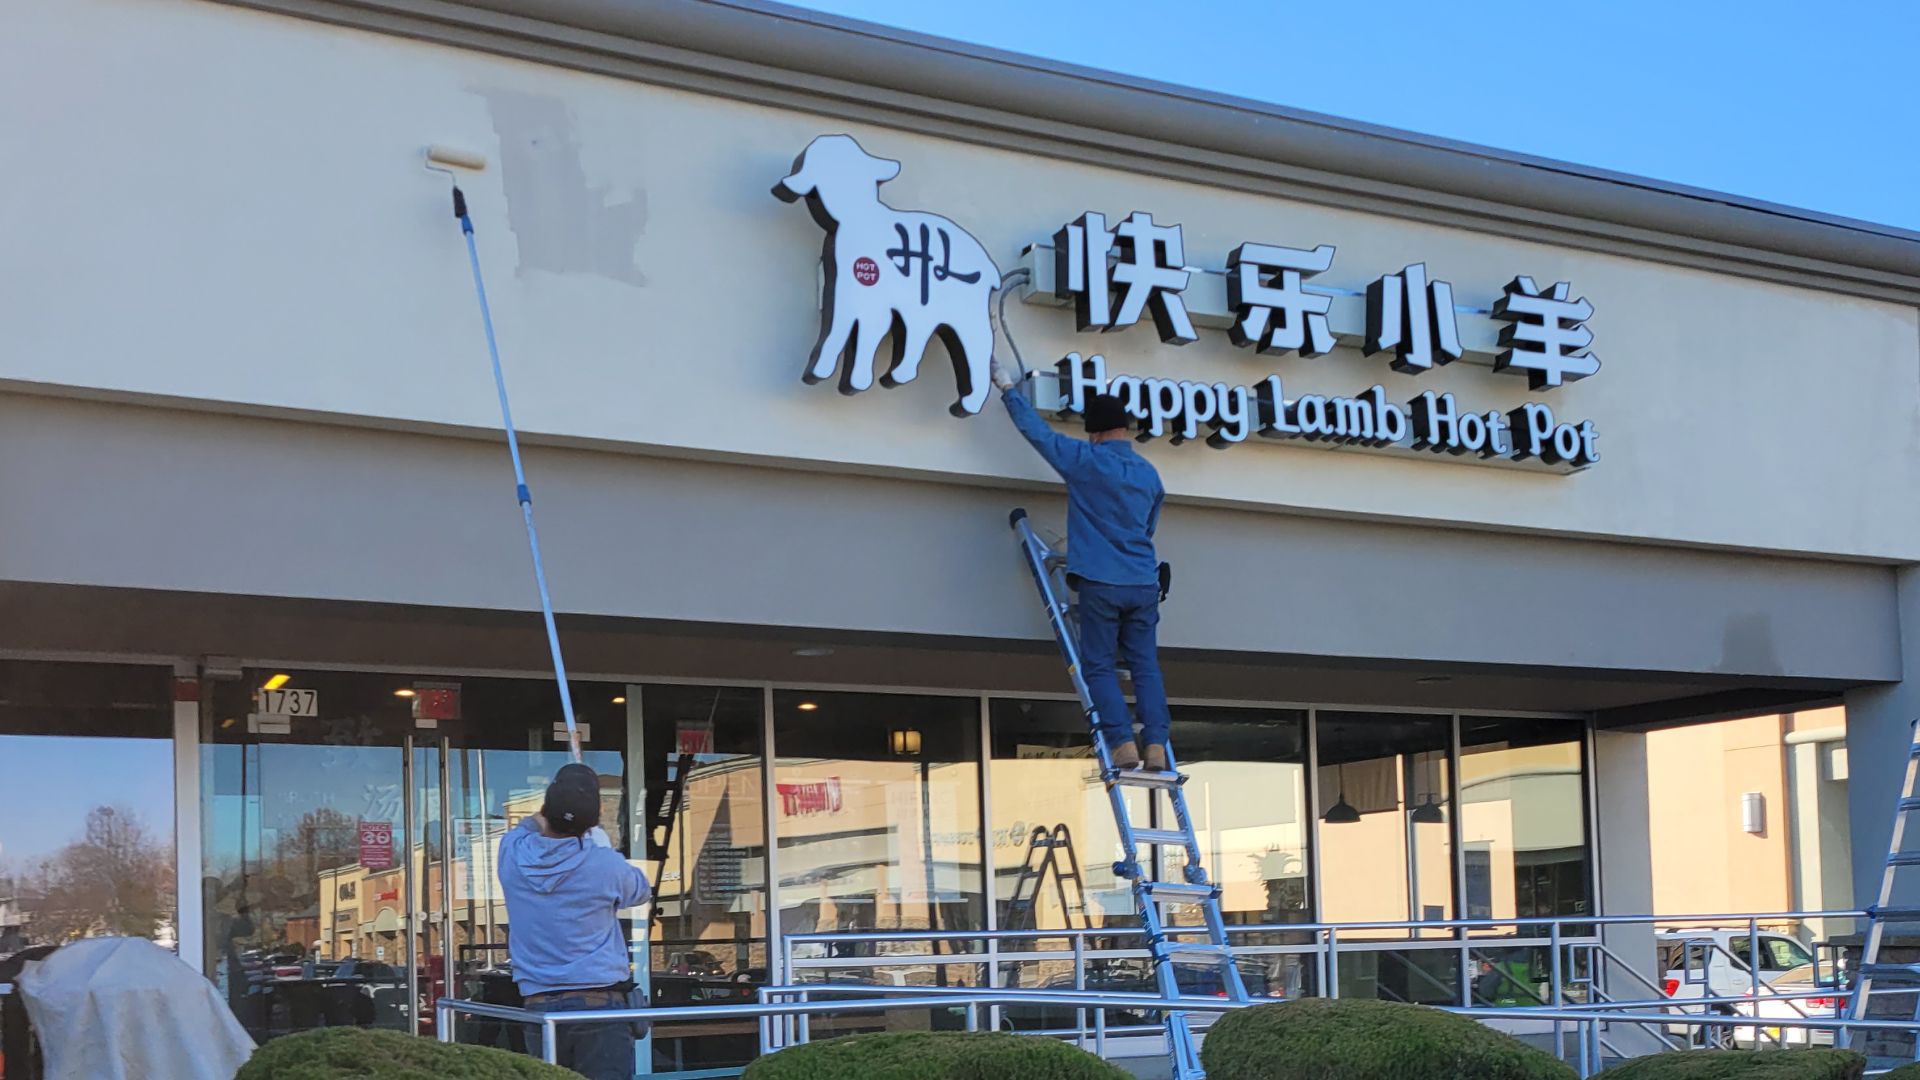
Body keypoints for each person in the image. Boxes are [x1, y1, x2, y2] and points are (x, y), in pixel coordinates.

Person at [994, 362, 1171, 771]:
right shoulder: (1149, 474)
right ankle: (1157, 744)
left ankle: (1122, 744)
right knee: (1145, 666)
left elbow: (1037, 434)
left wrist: (1007, 388)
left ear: (1094, 431)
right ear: (1124, 429)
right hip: (1143, 583)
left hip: (1100, 581)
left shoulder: (1086, 460)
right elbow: (1148, 527)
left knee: (1098, 664)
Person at [499, 763, 652, 1080]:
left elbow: (526, 827)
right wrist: (600, 844)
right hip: (599, 1008)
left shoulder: (511, 851)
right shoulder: (604, 862)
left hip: (539, 1007)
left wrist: (545, 819)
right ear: (592, 823)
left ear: (545, 808)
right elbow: (640, 891)